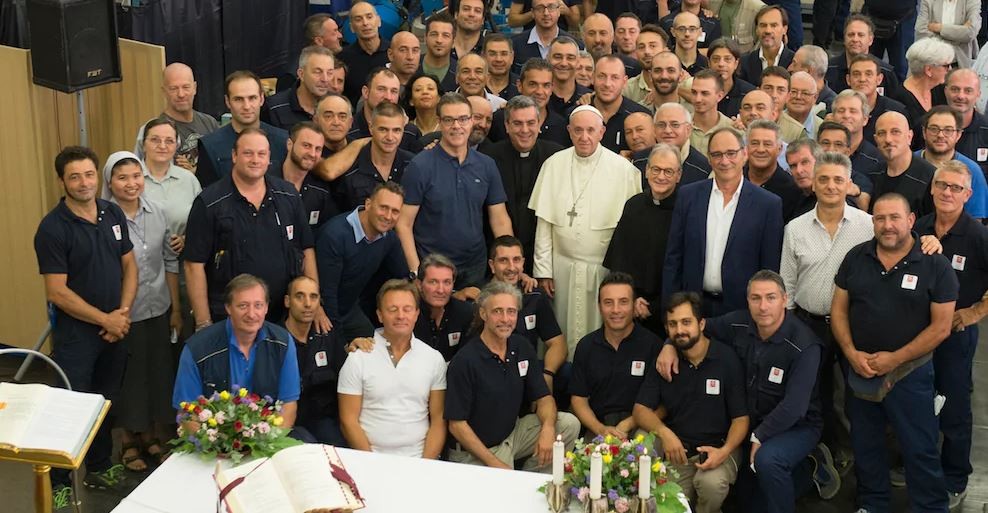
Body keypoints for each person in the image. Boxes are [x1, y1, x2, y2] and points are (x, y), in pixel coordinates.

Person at [659, 270, 839, 512]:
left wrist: (759, 436)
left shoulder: (804, 345)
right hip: (750, 423)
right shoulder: (738, 323)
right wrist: (669, 344)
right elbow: (692, 328)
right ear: (748, 301)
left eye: (771, 298)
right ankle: (806, 470)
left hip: (795, 426)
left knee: (768, 461)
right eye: (756, 298)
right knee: (746, 502)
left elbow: (794, 407)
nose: (763, 306)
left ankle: (812, 466)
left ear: (785, 300)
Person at [831, 193, 959, 513]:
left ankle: (930, 507)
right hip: (861, 371)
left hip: (910, 374)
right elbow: (839, 311)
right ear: (872, 221)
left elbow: (941, 327)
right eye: (880, 218)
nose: (887, 226)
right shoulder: (855, 258)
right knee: (866, 445)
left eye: (895, 218)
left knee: (920, 448)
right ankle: (872, 504)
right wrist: (850, 353)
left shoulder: (935, 265)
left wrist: (895, 358)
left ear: (911, 220)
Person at [35, 146, 136, 498]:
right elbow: (57, 292)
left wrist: (121, 314)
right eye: (74, 176)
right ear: (62, 181)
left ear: (98, 177)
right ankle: (59, 485)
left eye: (89, 174)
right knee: (70, 407)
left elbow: (129, 266)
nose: (83, 182)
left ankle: (99, 466)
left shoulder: (112, 213)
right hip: (77, 335)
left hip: (115, 328)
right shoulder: (52, 228)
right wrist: (104, 319)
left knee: (105, 402)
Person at [781, 151, 875, 478]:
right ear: (814, 184)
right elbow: (788, 284)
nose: (831, 186)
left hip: (855, 326)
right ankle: (825, 455)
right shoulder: (795, 229)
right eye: (824, 179)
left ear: (849, 184)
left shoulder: (868, 226)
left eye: (838, 179)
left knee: (856, 394)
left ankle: (862, 457)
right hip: (809, 325)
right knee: (816, 396)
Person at [529, 105, 642, 354]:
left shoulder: (624, 170)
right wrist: (543, 270)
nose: (584, 137)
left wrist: (621, 277)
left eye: (591, 130)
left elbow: (630, 233)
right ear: (569, 131)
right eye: (578, 130)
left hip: (602, 271)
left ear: (602, 131)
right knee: (559, 332)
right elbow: (544, 224)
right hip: (561, 270)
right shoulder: (553, 165)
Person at [184, 128, 323, 326]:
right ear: (234, 156)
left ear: (269, 158)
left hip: (282, 316)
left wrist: (313, 302)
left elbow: (306, 249)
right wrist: (203, 322)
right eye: (248, 153)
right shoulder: (209, 203)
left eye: (261, 154)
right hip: (229, 320)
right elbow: (193, 265)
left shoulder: (288, 195)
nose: (255, 160)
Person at [445, 281, 581, 469]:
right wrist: (496, 464)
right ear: (483, 314)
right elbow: (457, 426)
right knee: (505, 494)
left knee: (567, 425)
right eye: (497, 311)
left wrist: (548, 429)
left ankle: (536, 481)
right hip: (477, 450)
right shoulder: (465, 360)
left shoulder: (521, 346)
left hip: (511, 436)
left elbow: (544, 398)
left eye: (511, 311)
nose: (505, 319)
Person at [633, 292, 749, 513]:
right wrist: (665, 434)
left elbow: (741, 419)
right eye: (673, 324)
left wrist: (724, 451)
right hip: (680, 453)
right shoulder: (665, 360)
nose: (680, 330)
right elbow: (640, 410)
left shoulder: (726, 360)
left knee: (711, 486)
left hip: (719, 449)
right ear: (666, 329)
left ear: (702, 323)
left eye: (686, 322)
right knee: (666, 505)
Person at [100, 152, 180, 473]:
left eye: (137, 176)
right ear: (110, 182)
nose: (131, 183)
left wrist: (175, 308)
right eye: (122, 177)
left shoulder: (158, 213)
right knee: (128, 379)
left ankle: (150, 436)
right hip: (123, 312)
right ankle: (128, 442)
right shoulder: (103, 218)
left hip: (157, 307)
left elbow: (170, 261)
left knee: (156, 375)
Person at [915, 161, 988, 509]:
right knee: (918, 404)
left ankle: (955, 478)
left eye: (956, 188)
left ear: (968, 195)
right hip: (916, 334)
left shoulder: (978, 236)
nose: (947, 192)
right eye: (942, 185)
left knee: (955, 410)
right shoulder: (920, 227)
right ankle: (921, 470)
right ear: (931, 188)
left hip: (956, 338)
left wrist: (973, 312)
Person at [398, 92, 514, 288]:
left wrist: (509, 261)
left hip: (475, 267)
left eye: (462, 119)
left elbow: (499, 218)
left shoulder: (486, 165)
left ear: (471, 121)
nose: (456, 126)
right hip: (433, 267)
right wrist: (416, 271)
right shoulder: (420, 166)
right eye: (449, 120)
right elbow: (403, 223)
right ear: (439, 122)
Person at [663, 127, 783, 316]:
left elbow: (769, 268)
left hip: (741, 311)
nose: (724, 161)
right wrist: (671, 307)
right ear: (709, 158)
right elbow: (674, 256)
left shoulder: (768, 204)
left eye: (731, 153)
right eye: (717, 154)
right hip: (692, 306)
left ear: (744, 154)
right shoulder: (689, 196)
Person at [172, 274, 301, 429]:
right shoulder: (197, 348)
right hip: (213, 444)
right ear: (228, 308)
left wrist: (266, 444)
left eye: (258, 305)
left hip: (268, 440)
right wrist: (218, 446)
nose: (252, 314)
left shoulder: (283, 342)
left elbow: (288, 406)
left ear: (266, 307)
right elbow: (187, 413)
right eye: (243, 306)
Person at [337, 279, 448, 457]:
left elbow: (438, 421)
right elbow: (348, 421)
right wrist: (372, 462)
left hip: (419, 460)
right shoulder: (358, 359)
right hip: (369, 459)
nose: (401, 316)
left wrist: (425, 465)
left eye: (407, 309)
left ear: (417, 314)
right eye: (393, 309)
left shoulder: (433, 359)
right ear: (380, 315)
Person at [604, 141, 683, 334]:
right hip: (630, 307)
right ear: (646, 171)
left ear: (678, 175)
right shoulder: (634, 205)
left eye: (668, 171)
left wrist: (656, 306)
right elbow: (620, 261)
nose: (661, 176)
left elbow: (684, 268)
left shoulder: (686, 210)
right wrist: (631, 298)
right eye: (656, 169)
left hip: (671, 309)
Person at [570, 272, 661, 437]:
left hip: (641, 426)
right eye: (608, 303)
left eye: (623, 302)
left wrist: (628, 425)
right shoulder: (586, 346)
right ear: (599, 306)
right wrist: (600, 429)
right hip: (598, 428)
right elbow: (578, 399)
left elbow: (663, 404)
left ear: (634, 306)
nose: (616, 310)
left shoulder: (653, 345)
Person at [317, 181, 409, 344]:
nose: (388, 216)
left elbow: (403, 278)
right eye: (383, 207)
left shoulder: (388, 237)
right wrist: (340, 345)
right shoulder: (335, 235)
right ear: (368, 204)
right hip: (323, 312)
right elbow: (328, 295)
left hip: (350, 308)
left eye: (395, 211)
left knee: (376, 348)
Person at [282, 276, 369, 446]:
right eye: (300, 296)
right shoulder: (275, 340)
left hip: (325, 420)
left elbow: (347, 378)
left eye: (313, 297)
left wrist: (354, 352)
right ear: (287, 301)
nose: (307, 304)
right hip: (288, 422)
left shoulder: (328, 336)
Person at [483, 95, 565, 271]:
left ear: (539, 124)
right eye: (517, 123)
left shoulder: (557, 157)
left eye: (530, 123)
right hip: (499, 256)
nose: (525, 130)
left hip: (547, 255)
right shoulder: (489, 157)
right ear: (507, 126)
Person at [487, 236, 567, 392]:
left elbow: (558, 344)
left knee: (567, 372)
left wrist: (547, 374)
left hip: (527, 371)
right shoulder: (480, 298)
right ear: (492, 265)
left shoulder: (535, 296)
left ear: (523, 263)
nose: (511, 267)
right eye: (503, 261)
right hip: (492, 375)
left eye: (516, 260)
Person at [196, 71, 289, 189]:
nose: (246, 106)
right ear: (227, 101)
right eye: (238, 99)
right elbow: (207, 196)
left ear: (261, 99)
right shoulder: (210, 146)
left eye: (252, 98)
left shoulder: (283, 141)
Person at [133, 63, 220, 172]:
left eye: (186, 87)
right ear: (164, 92)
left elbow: (222, 165)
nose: (181, 94)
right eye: (173, 88)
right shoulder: (154, 132)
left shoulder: (210, 123)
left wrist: (196, 171)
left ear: (195, 88)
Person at [333, 102, 416, 213]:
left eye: (396, 130)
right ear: (371, 127)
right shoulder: (350, 168)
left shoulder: (414, 166)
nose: (390, 137)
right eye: (383, 130)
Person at [138, 117, 202, 253]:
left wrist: (187, 238)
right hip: (141, 263)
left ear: (176, 146)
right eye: (155, 140)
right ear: (143, 144)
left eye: (169, 141)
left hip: (182, 262)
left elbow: (203, 221)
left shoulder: (189, 180)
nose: (162, 146)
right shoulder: (132, 179)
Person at [916, 106, 988, 220]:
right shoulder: (908, 163)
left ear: (958, 135)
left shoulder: (972, 170)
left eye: (948, 130)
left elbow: (976, 221)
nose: (940, 135)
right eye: (934, 129)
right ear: (924, 132)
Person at [888, 38, 954, 151]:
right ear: (928, 70)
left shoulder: (940, 89)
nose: (950, 69)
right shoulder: (899, 100)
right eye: (946, 66)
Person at [488, 59, 571, 147]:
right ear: (519, 85)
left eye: (546, 85)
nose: (539, 91)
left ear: (552, 88)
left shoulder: (561, 126)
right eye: (533, 84)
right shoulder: (499, 120)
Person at [272, 122, 338, 232]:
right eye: (306, 146)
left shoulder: (320, 191)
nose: (312, 154)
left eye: (318, 149)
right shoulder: (264, 179)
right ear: (289, 144)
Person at [870, 111, 937, 216]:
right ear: (876, 139)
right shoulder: (873, 174)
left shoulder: (930, 177)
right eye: (882, 133)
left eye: (895, 132)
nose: (888, 139)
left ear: (909, 137)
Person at [413, 254, 476, 361]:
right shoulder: (407, 313)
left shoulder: (465, 313)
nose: (441, 290)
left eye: (447, 282)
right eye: (433, 282)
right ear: (419, 285)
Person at [631, 103, 710, 186]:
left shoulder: (702, 168)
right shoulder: (640, 161)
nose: (667, 130)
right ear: (654, 129)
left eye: (675, 125)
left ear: (688, 129)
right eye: (661, 125)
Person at [348, 68, 424, 153]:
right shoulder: (348, 130)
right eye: (381, 89)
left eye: (394, 91)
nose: (388, 97)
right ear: (366, 92)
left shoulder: (410, 132)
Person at [262, 46, 336, 131]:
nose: (325, 79)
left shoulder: (337, 106)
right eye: (317, 72)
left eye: (330, 73)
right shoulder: (274, 107)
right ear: (301, 74)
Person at [744, 120, 804, 221]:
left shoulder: (793, 190)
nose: (760, 149)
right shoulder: (734, 181)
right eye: (754, 143)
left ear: (779, 149)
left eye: (767, 144)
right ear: (746, 147)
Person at [826, 15, 902, 94]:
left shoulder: (886, 72)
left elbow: (894, 104)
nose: (855, 39)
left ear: (870, 39)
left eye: (860, 35)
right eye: (851, 34)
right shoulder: (828, 69)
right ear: (844, 38)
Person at [848, 54, 909, 146]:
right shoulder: (840, 110)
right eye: (856, 74)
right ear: (848, 79)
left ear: (879, 79)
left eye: (868, 74)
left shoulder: (896, 111)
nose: (862, 79)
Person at [338, 0, 390, 103]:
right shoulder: (342, 58)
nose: (365, 23)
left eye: (369, 17)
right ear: (352, 27)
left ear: (378, 21)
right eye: (358, 19)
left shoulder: (394, 52)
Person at [511, 0, 579, 74]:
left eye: (551, 7)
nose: (546, 13)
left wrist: (568, 11)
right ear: (533, 13)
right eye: (540, 8)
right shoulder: (514, 45)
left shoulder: (576, 46)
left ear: (559, 11)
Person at [946, 69, 988, 180]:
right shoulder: (928, 127)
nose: (960, 96)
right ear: (945, 91)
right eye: (955, 89)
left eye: (968, 91)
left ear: (978, 94)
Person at [738, 5, 794, 86]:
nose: (768, 30)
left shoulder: (794, 62)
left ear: (784, 29)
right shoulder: (744, 63)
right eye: (763, 25)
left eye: (774, 25)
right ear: (757, 30)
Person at [863, 0, 918, 83]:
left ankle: (896, 94)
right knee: (865, 64)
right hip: (872, 13)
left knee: (900, 68)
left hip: (903, 17)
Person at [707, 38, 757, 119]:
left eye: (727, 59)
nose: (721, 64)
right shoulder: (700, 90)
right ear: (709, 63)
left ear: (736, 63)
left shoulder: (749, 93)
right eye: (716, 59)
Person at [623, 28, 673, 108]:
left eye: (652, 46)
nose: (647, 51)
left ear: (665, 50)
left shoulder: (682, 83)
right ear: (636, 52)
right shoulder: (627, 89)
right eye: (641, 47)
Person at [688, 70, 734, 157]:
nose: (698, 99)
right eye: (694, 92)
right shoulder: (680, 127)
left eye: (705, 93)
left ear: (720, 96)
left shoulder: (733, 129)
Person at [547, 36, 591, 117]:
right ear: (547, 59)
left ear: (578, 62)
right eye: (558, 57)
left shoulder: (589, 99)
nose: (564, 63)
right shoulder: (539, 97)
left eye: (570, 58)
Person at [783, 139, 822, 218]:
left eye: (805, 162)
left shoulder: (835, 197)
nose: (799, 171)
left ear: (820, 162)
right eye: (793, 166)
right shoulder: (788, 198)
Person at [789, 45, 836, 110]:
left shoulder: (834, 105)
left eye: (794, 64)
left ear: (808, 71)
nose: (789, 68)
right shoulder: (788, 96)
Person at [484, 33, 519, 100]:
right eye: (492, 54)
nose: (498, 59)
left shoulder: (522, 87)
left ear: (512, 57)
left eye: (504, 54)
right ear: (483, 56)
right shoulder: (475, 86)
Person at [786, 71, 821, 137]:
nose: (798, 97)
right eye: (793, 91)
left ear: (815, 98)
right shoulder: (774, 123)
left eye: (805, 93)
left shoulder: (822, 129)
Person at [508, 0, 581, 32]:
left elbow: (575, 23)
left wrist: (567, 11)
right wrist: (536, 12)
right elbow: (512, 21)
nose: (546, 13)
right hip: (530, 39)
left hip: (560, 39)